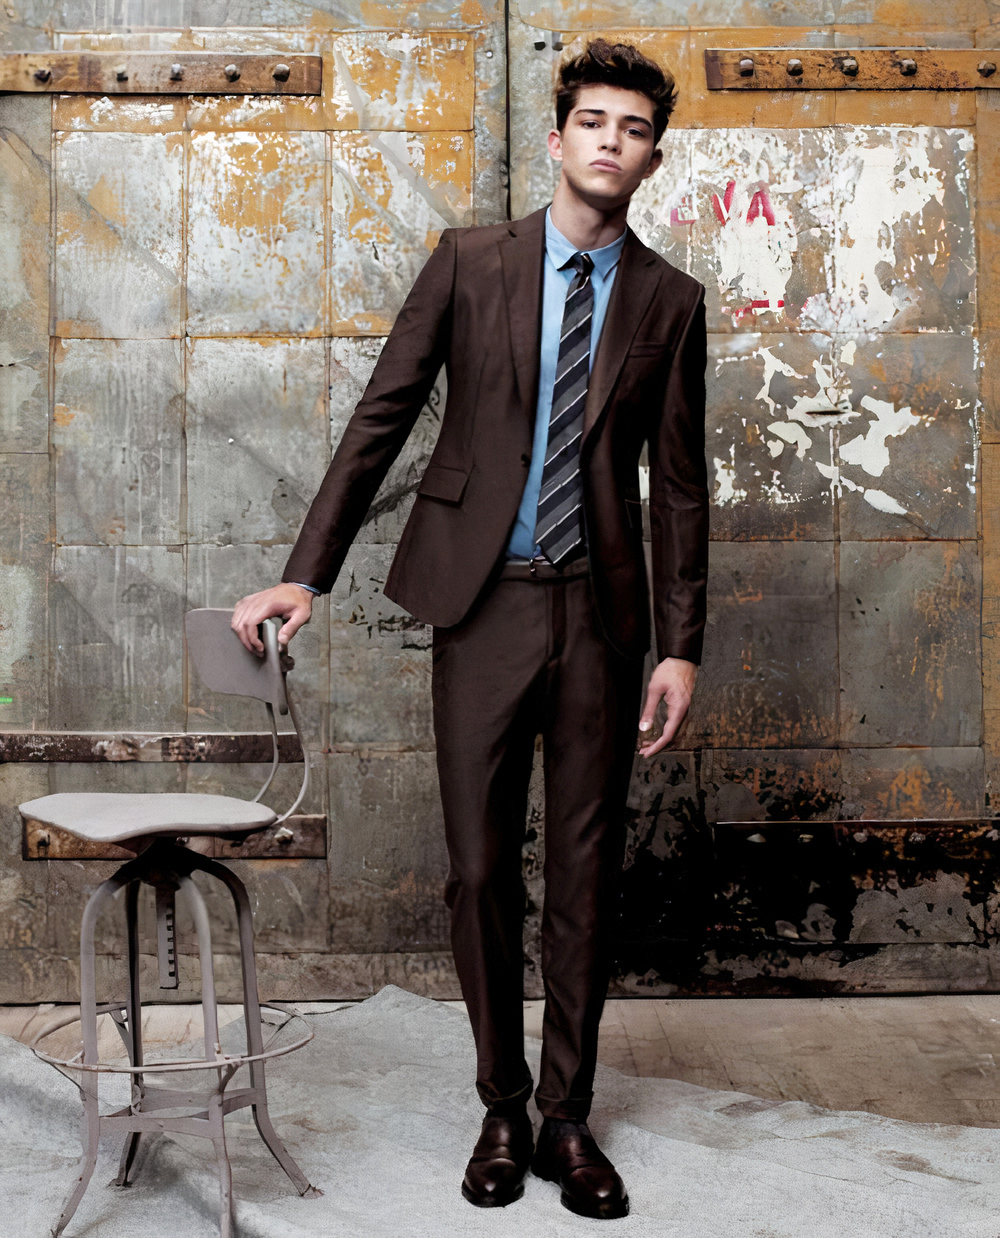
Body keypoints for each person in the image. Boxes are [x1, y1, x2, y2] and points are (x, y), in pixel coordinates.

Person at [232, 39, 708, 1221]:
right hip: (481, 602)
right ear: (555, 141)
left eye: (632, 126)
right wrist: (309, 575)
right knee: (482, 868)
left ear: (653, 154)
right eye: (590, 120)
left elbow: (683, 484)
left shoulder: (668, 301)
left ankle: (565, 1119)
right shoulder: (469, 262)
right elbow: (381, 417)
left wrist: (679, 642)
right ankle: (499, 1102)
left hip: (600, 616)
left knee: (585, 879)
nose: (608, 139)